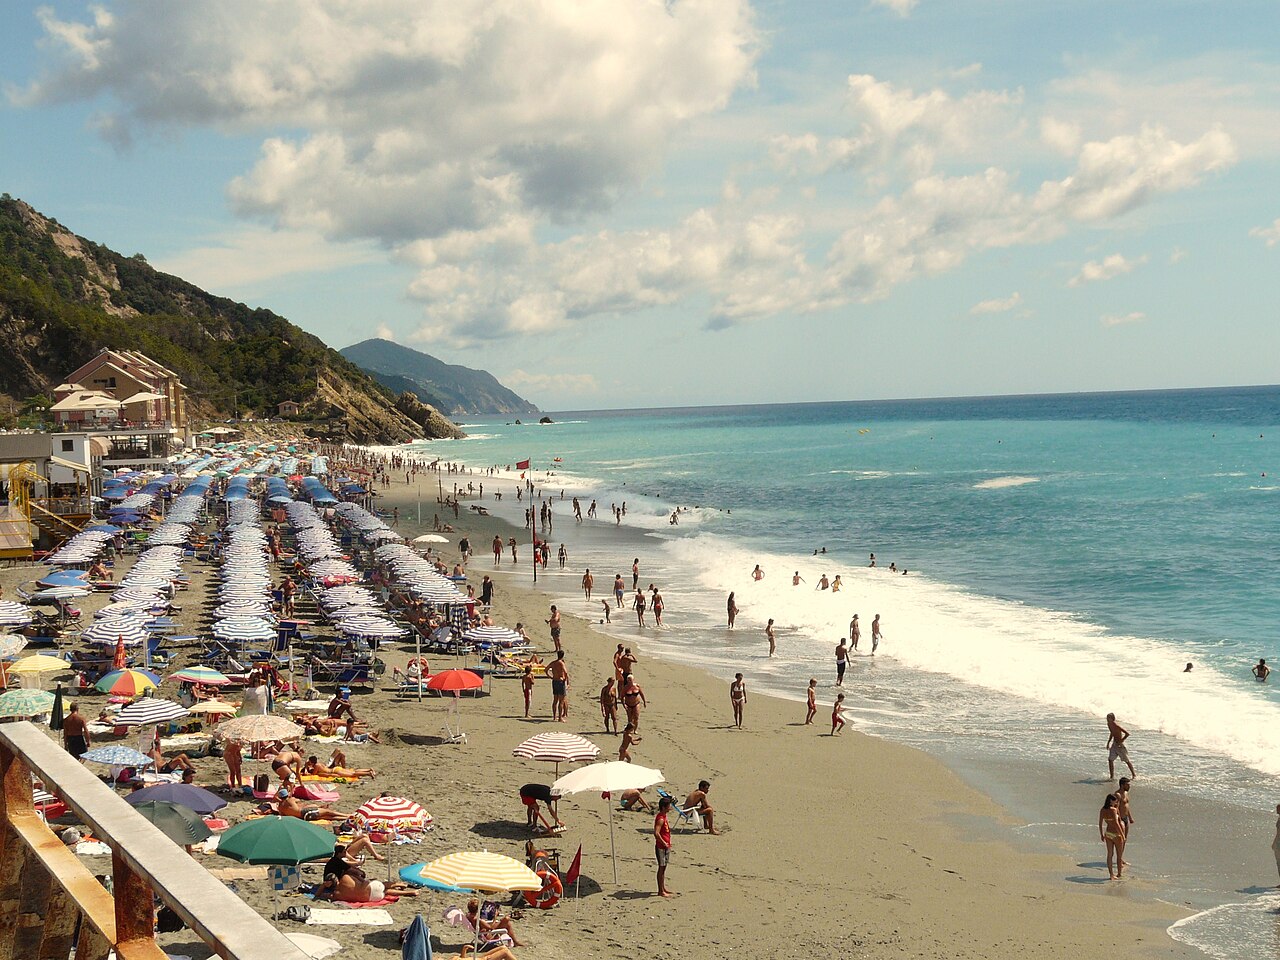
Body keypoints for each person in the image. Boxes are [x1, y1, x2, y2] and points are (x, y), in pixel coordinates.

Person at [1099, 793, 1126, 880]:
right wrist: (1122, 835)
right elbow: (1116, 823)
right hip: (1116, 834)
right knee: (1119, 855)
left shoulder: (1102, 810)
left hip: (1108, 833)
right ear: (1111, 801)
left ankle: (1111, 875)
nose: (1116, 802)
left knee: (1110, 855)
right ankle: (1119, 874)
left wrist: (1101, 834)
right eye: (1115, 801)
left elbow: (1100, 823)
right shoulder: (1113, 810)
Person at [276, 789, 348, 822]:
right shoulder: (291, 799)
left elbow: (283, 816)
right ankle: (347, 815)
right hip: (305, 812)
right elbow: (298, 800)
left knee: (327, 817)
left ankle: (346, 818)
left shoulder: (280, 807)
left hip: (304, 818)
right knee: (328, 812)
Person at [1106, 713, 1136, 780]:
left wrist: (1121, 741)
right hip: (1114, 744)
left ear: (1112, 719)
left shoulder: (1116, 725)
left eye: (1109, 718)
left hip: (1120, 746)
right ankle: (1111, 776)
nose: (1107, 719)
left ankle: (1134, 775)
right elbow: (1112, 733)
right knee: (1110, 760)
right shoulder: (1109, 724)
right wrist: (1108, 742)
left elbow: (1127, 734)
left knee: (1126, 760)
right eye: (1107, 718)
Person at [654, 796, 675, 897]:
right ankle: (660, 891)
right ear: (663, 807)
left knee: (664, 868)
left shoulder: (664, 817)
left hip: (665, 847)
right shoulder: (660, 819)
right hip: (661, 847)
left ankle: (663, 888)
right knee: (661, 868)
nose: (670, 807)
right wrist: (664, 843)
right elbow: (656, 833)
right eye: (668, 806)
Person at [304, 754, 375, 779]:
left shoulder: (316, 765)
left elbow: (314, 774)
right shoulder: (319, 763)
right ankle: (369, 770)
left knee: (352, 774)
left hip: (335, 771)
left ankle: (368, 774)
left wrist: (307, 767)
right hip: (336, 768)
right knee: (353, 771)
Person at [1116, 776, 1135, 866]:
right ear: (1122, 785)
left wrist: (1130, 817)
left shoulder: (1126, 793)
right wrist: (1118, 820)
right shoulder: (1117, 795)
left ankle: (1121, 858)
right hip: (1120, 820)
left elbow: (1126, 806)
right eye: (1127, 784)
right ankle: (1118, 859)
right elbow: (1116, 808)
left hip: (1126, 818)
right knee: (1120, 840)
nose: (1129, 786)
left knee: (1125, 839)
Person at [547, 651, 569, 722]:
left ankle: (554, 717)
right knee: (561, 701)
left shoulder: (553, 663)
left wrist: (550, 676)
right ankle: (560, 718)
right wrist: (564, 680)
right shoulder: (561, 663)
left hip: (554, 681)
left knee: (555, 700)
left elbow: (546, 669)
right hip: (560, 682)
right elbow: (565, 672)